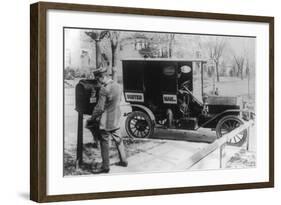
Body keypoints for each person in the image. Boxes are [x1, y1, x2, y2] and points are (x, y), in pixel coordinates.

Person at [86, 66, 128, 174]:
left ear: (101, 77)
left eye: (97, 79)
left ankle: (105, 167)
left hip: (106, 121)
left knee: (104, 142)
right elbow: (118, 101)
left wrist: (92, 118)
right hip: (116, 119)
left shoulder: (104, 89)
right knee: (119, 140)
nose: (98, 82)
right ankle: (124, 161)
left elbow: (99, 108)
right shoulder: (118, 86)